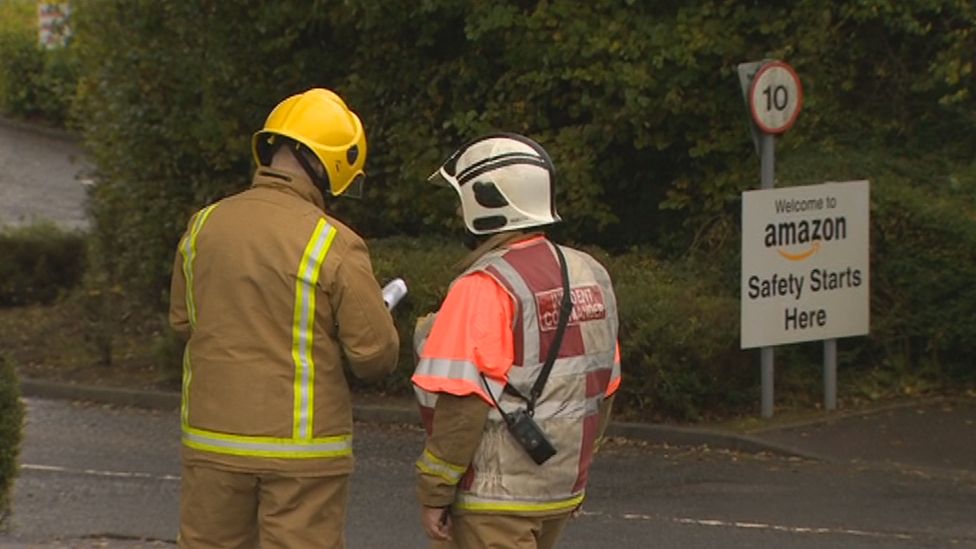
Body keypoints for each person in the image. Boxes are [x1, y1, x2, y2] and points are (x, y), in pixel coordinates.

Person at [168, 88, 400, 548]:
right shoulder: (333, 242)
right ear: (333, 164)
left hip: (212, 440)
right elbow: (374, 356)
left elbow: (184, 324)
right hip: (302, 451)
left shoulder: (203, 226)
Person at [411, 133, 621, 548]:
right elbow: (603, 388)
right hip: (559, 489)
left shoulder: (483, 285)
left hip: (494, 497)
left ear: (488, 201)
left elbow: (461, 408)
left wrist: (434, 492)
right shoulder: (590, 274)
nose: (457, 210)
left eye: (461, 199)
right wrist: (574, 474)